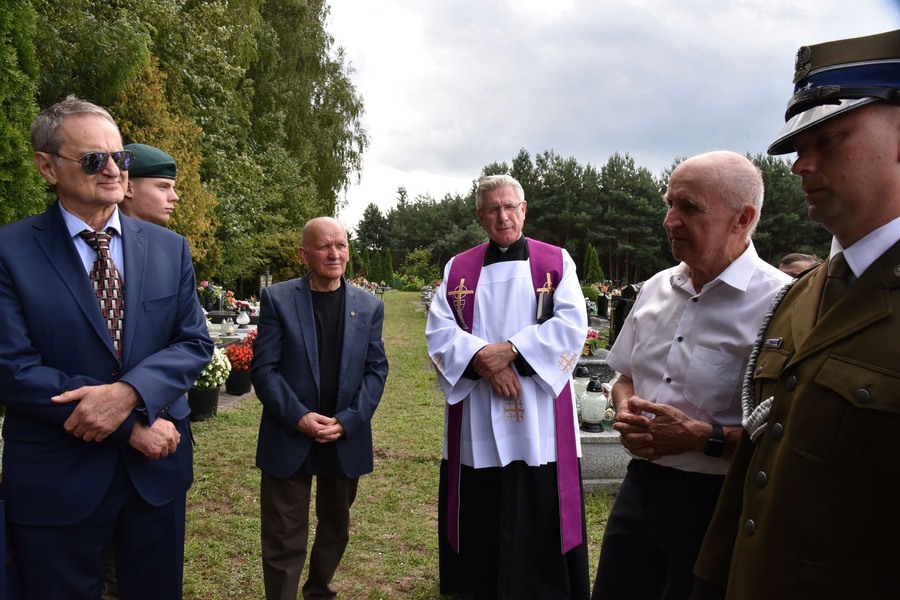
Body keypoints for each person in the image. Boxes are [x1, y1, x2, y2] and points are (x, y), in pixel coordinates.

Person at [693, 29, 900, 600]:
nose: (800, 165)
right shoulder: (799, 296)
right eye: (797, 147)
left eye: (828, 140)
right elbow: (757, 472)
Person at [0, 95, 213, 597]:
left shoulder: (168, 247)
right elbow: (12, 368)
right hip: (58, 479)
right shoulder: (9, 251)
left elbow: (192, 342)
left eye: (122, 157)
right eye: (95, 159)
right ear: (47, 166)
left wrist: (129, 395)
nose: (114, 170)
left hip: (156, 476)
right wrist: (130, 425)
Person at [591, 151, 791, 600]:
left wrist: (702, 437)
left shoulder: (780, 303)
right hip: (640, 486)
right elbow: (624, 374)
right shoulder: (657, 288)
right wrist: (627, 413)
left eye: (689, 207)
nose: (669, 220)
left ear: (743, 218)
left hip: (718, 503)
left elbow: (789, 430)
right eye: (669, 203)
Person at [426, 174, 591, 599]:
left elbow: (572, 324)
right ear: (480, 216)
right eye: (493, 209)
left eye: (510, 206)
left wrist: (513, 350)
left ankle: (544, 587)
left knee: (539, 494)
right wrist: (484, 360)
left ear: (524, 208)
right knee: (481, 498)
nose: (503, 216)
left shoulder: (556, 262)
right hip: (479, 406)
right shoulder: (458, 268)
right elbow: (439, 330)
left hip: (538, 406)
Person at [251, 216, 388, 600]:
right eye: (325, 246)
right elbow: (265, 368)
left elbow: (376, 369)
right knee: (282, 532)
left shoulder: (370, 305)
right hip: (289, 432)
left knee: (336, 527)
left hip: (342, 437)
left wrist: (348, 421)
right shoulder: (278, 299)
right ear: (304, 253)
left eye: (341, 245)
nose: (334, 253)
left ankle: (317, 591)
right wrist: (298, 417)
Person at [120, 142, 179, 225]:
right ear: (128, 188)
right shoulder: (99, 235)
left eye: (173, 188)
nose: (175, 197)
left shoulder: (171, 238)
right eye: (163, 187)